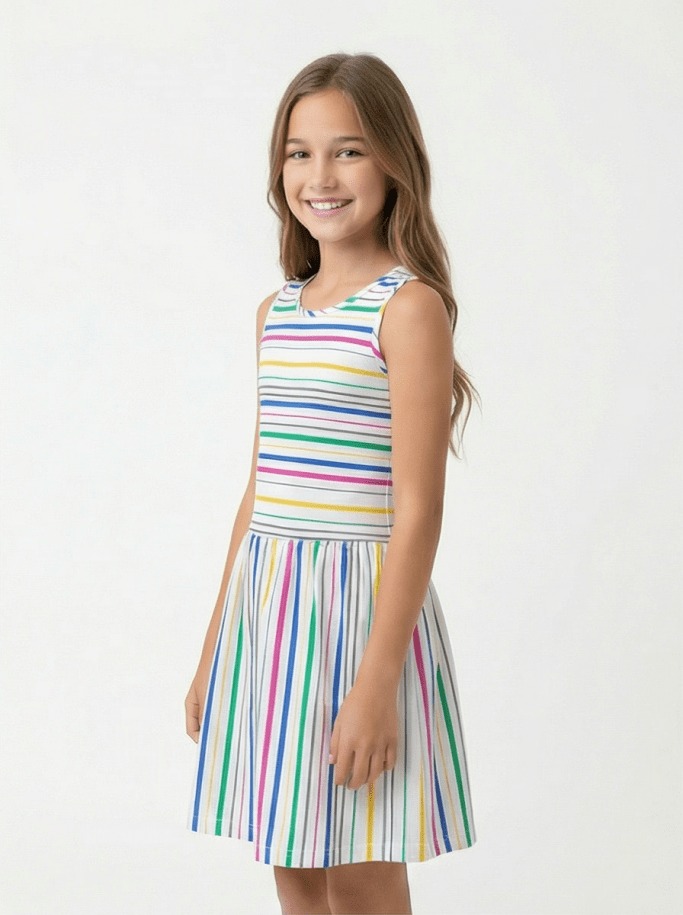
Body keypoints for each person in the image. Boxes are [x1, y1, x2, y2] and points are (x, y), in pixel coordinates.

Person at [184, 52, 480, 915]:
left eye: (347, 150)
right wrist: (214, 648)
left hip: (360, 619)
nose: (319, 176)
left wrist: (376, 681)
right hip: (271, 616)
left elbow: (417, 510)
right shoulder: (275, 312)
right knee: (291, 860)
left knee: (360, 865)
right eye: (298, 153)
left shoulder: (407, 308)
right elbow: (259, 490)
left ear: (392, 161)